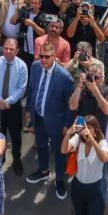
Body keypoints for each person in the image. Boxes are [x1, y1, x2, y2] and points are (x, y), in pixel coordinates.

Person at [26, 40, 75, 198]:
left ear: (54, 57)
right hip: (39, 118)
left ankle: (59, 179)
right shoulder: (35, 67)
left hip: (57, 123)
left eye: (47, 57)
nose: (43, 60)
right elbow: (32, 89)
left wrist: (67, 125)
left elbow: (71, 104)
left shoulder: (64, 77)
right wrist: (28, 111)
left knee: (60, 153)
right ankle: (43, 171)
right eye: (41, 56)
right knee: (41, 146)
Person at [62, 115, 108, 215]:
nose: (85, 131)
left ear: (96, 130)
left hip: (95, 190)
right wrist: (69, 133)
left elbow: (104, 158)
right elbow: (64, 150)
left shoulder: (102, 143)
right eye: (83, 128)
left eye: (88, 128)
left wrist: (92, 140)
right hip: (78, 188)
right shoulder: (78, 139)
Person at [0, 37, 28, 176]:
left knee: (15, 135)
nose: (8, 51)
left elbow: (21, 88)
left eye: (11, 49)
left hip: (13, 107)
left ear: (17, 51)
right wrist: (0, 101)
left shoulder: (22, 66)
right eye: (6, 48)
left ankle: (16, 159)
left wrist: (8, 102)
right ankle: (0, 156)